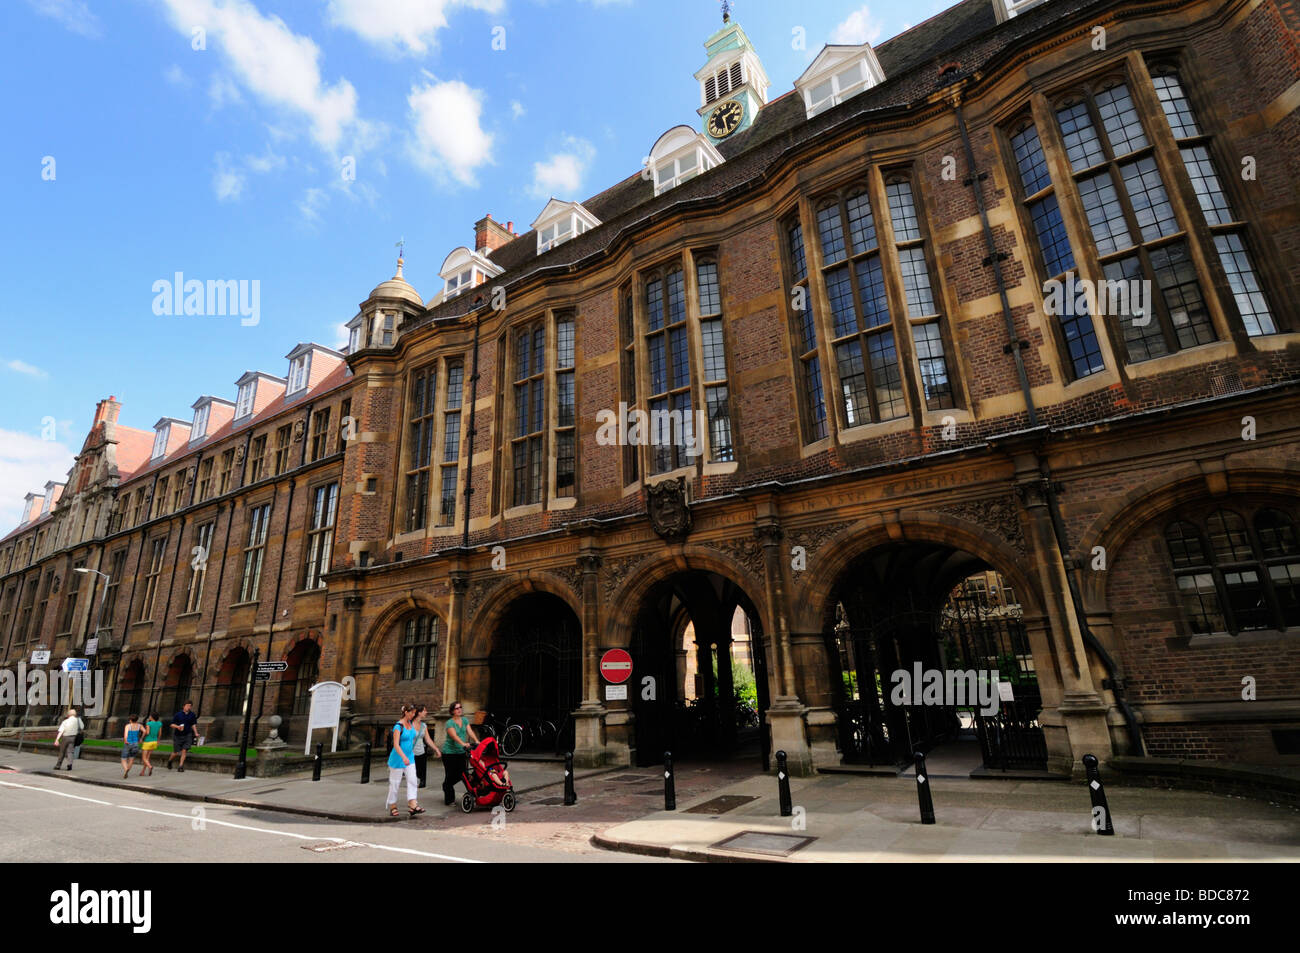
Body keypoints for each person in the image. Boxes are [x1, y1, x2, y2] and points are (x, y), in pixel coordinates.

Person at [386, 704, 424, 817]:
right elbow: (396, 745)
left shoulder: (411, 724)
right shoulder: (398, 726)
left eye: (414, 713)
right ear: (406, 712)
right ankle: (392, 805)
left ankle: (412, 804)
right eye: (411, 713)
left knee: (413, 780)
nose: (413, 715)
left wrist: (408, 754)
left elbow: (411, 740)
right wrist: (403, 756)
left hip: (410, 758)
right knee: (395, 784)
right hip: (398, 759)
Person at [440, 701, 479, 806]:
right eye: (457, 708)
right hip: (449, 753)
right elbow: (454, 736)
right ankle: (449, 799)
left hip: (461, 752)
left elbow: (470, 731)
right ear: (452, 711)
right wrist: (463, 743)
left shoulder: (465, 720)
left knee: (464, 775)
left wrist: (476, 741)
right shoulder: (449, 723)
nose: (459, 709)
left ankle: (473, 795)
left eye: (460, 707)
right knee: (450, 775)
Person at [411, 704, 442, 789]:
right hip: (410, 753)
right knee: (412, 776)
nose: (426, 712)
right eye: (424, 710)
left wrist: (436, 749)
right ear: (419, 713)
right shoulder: (409, 724)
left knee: (421, 777)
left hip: (421, 752)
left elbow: (428, 740)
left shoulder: (424, 726)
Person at [166, 701, 199, 772]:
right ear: (183, 706)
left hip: (188, 735)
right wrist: (177, 727)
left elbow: (193, 724)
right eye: (187, 706)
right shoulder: (178, 714)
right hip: (178, 735)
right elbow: (171, 724)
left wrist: (196, 733)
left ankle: (180, 766)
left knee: (184, 750)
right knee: (176, 752)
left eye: (190, 706)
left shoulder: (192, 715)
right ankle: (170, 761)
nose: (188, 707)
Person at [121, 714, 144, 778]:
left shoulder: (128, 726)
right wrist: (141, 738)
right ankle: (127, 770)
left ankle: (126, 769)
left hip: (128, 743)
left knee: (123, 759)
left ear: (130, 720)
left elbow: (125, 735)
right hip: (136, 744)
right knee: (131, 759)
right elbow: (145, 731)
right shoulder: (139, 725)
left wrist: (125, 740)